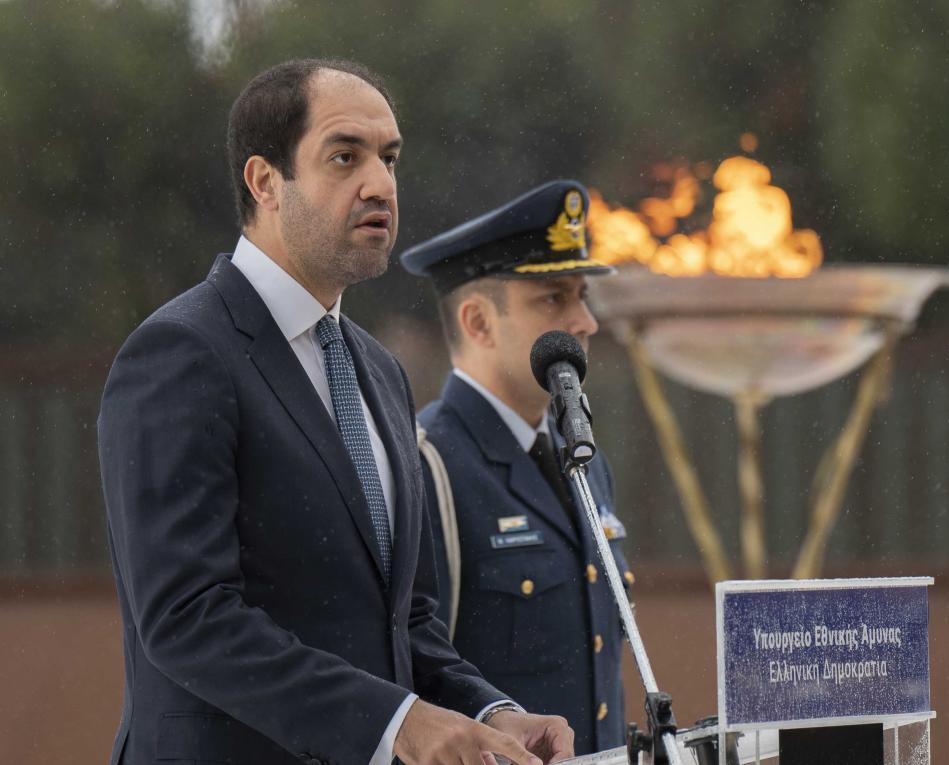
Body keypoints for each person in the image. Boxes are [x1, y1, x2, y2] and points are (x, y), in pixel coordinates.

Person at [97, 58, 574, 765]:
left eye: (390, 158)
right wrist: (398, 723)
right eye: (345, 156)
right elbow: (186, 616)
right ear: (265, 182)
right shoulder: (181, 353)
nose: (380, 184)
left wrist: (487, 710)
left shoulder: (378, 370)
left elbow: (405, 619)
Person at [401, 180, 634, 754]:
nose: (585, 321)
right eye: (553, 299)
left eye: (582, 296)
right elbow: (410, 669)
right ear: (478, 322)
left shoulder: (583, 458)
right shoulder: (427, 465)